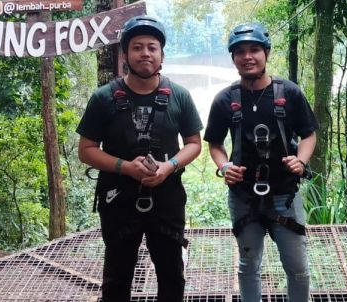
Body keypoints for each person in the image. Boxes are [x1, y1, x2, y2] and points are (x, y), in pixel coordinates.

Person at [77, 15, 202, 302]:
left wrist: (169, 166)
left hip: (166, 198)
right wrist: (124, 167)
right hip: (118, 198)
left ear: (161, 55)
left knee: (171, 273)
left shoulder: (179, 96)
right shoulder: (104, 98)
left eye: (152, 47)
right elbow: (86, 150)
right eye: (137, 47)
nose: (145, 53)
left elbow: (194, 144)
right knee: (117, 276)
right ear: (125, 55)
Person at [204, 22, 318, 302]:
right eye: (240, 52)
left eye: (254, 49)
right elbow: (215, 144)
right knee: (248, 265)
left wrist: (301, 162)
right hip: (244, 196)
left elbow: (308, 135)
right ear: (233, 58)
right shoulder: (225, 100)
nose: (247, 56)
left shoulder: (289, 94)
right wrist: (224, 167)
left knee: (298, 268)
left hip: (285, 195)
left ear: (266, 53)